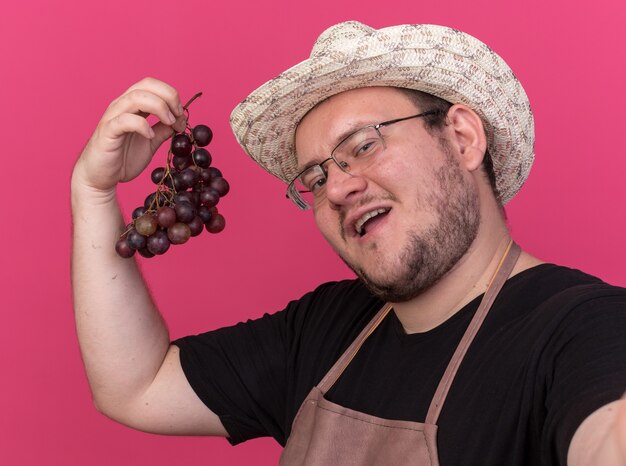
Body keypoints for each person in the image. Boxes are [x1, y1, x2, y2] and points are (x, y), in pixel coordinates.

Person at [71, 21, 626, 465]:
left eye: (364, 145)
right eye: (315, 177)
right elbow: (135, 386)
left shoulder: (585, 330)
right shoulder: (325, 329)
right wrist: (93, 192)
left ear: (462, 138)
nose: (337, 186)